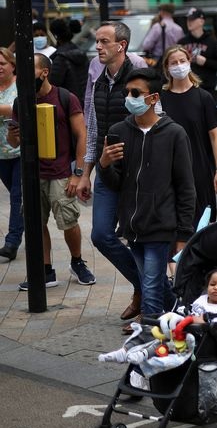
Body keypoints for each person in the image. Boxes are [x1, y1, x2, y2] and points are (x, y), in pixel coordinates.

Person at [99, 67, 196, 319]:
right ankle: (180, 314)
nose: (129, 98)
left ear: (153, 98)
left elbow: (186, 187)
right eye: (126, 92)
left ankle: (149, 338)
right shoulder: (120, 131)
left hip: (160, 225)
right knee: (153, 283)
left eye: (135, 93)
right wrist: (104, 165)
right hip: (132, 226)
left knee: (150, 289)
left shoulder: (174, 134)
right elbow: (116, 183)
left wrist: (183, 233)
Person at [77, 22, 149, 332]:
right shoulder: (97, 75)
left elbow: (155, 122)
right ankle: (146, 286)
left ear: (121, 45)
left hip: (138, 171)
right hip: (107, 168)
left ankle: (151, 299)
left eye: (104, 41)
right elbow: (92, 127)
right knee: (101, 234)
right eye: (97, 41)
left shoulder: (139, 72)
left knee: (139, 237)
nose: (99, 47)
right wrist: (85, 172)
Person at [8, 53, 92, 290]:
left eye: (30, 69)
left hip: (60, 173)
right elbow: (14, 142)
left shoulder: (65, 97)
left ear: (44, 72)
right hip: (32, 175)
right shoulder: (21, 101)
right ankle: (45, 270)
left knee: (68, 221)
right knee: (36, 222)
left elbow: (81, 135)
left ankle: (77, 261)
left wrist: (77, 172)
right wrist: (13, 136)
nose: (23, 75)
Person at [98, 268, 217, 365]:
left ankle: (143, 354)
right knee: (150, 328)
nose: (216, 287)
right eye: (213, 284)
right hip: (180, 329)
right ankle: (124, 350)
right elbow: (187, 310)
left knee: (163, 342)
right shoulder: (202, 300)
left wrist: (196, 320)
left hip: (200, 340)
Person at [159, 45, 217, 226]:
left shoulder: (203, 97)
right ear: (167, 68)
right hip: (170, 171)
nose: (179, 65)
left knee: (202, 223)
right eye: (174, 62)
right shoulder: (160, 99)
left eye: (182, 61)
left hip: (201, 170)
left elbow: (215, 136)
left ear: (189, 63)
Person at [0, 48, 22, 262]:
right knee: (19, 197)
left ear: (12, 65)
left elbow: (17, 108)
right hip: (1, 154)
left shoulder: (21, 85)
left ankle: (12, 242)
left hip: (21, 151)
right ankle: (27, 225)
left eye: (2, 63)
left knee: (17, 196)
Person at [178, 8, 217, 100]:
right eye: (188, 19)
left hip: (207, 88)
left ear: (201, 21)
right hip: (187, 88)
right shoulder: (182, 42)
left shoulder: (212, 41)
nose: (189, 22)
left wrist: (206, 62)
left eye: (192, 19)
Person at [48, 17, 87, 104]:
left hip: (66, 104)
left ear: (56, 35)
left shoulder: (60, 58)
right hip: (83, 102)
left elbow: (53, 85)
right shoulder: (81, 53)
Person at [140, 3, 185, 68]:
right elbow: (182, 47)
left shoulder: (157, 27)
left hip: (158, 61)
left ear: (161, 12)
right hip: (175, 60)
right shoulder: (179, 29)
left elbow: (146, 45)